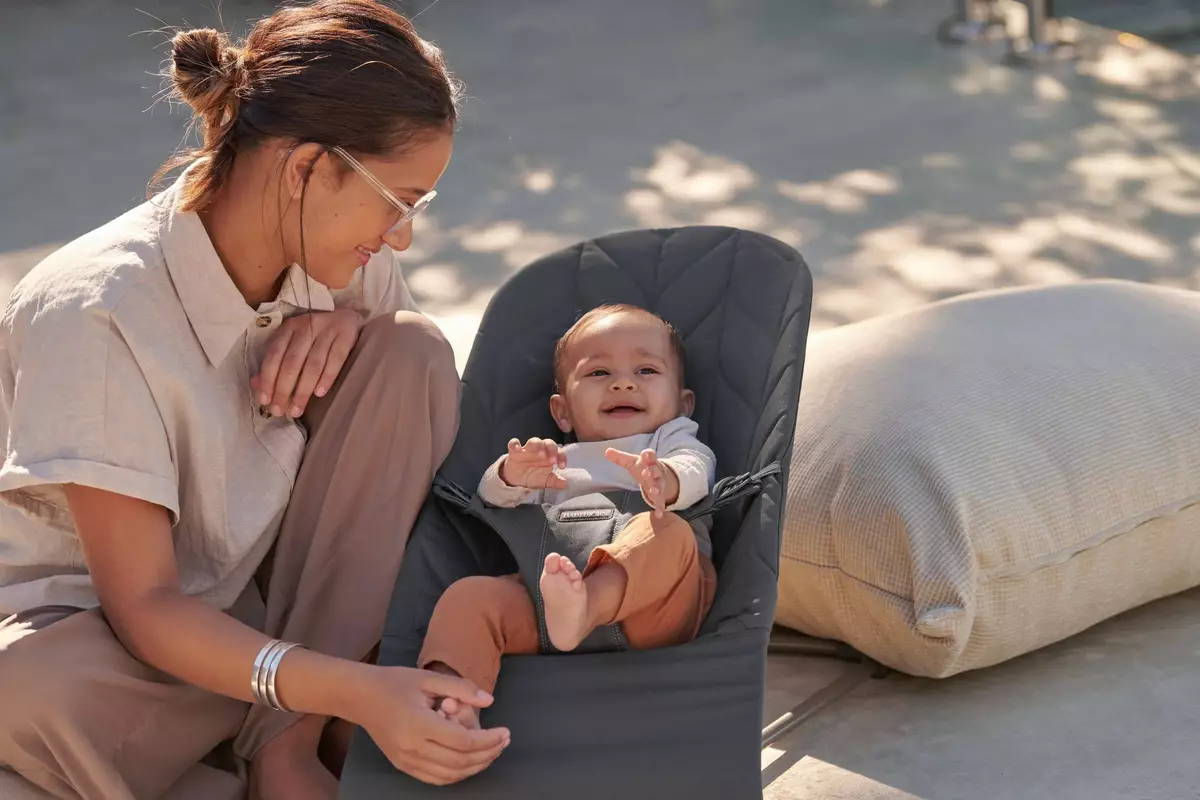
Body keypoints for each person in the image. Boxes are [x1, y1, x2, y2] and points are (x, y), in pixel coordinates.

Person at [0, 2, 511, 798]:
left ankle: (285, 745)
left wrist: (357, 327)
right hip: (126, 643)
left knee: (411, 351)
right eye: (399, 200)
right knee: (33, 691)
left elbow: (392, 435)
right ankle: (309, 717)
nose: (403, 235)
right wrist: (353, 689)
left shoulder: (340, 258)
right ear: (306, 167)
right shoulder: (96, 313)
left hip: (276, 605)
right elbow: (147, 607)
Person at [416, 304, 719, 730]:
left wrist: (662, 479)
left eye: (647, 370)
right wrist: (512, 474)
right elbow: (491, 499)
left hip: (654, 613)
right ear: (562, 411)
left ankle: (589, 603)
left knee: (666, 532)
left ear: (683, 403)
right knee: (470, 598)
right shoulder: (553, 460)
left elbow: (696, 471)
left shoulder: (671, 441)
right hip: (546, 610)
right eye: (598, 373)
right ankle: (450, 700)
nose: (623, 382)